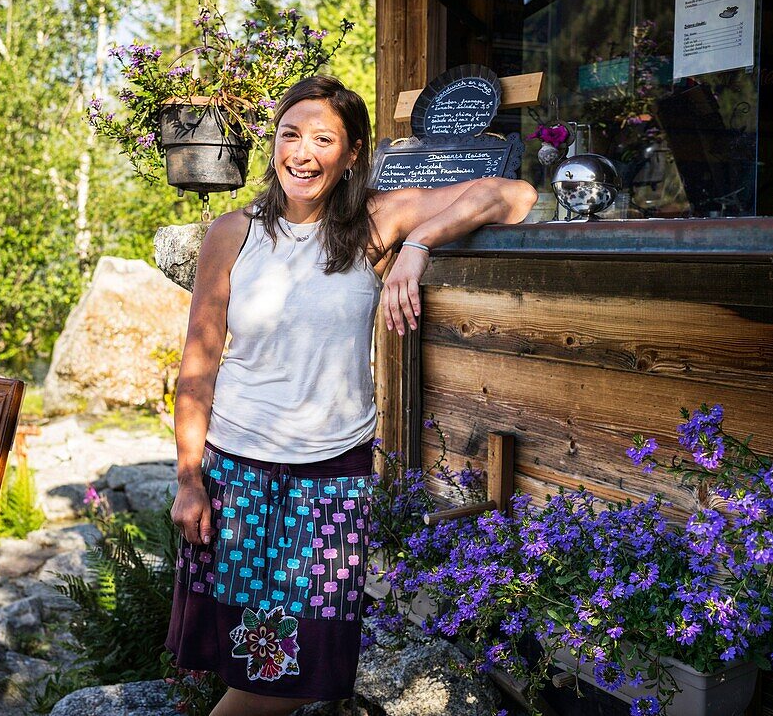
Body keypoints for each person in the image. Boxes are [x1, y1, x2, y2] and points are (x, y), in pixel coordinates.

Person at [165, 76, 536, 716]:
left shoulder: (375, 222)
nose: (302, 153)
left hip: (333, 476)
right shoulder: (234, 233)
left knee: (306, 658)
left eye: (323, 139)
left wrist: (418, 245)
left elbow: (514, 194)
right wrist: (189, 479)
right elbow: (198, 364)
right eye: (290, 135)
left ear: (352, 153)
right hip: (237, 471)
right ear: (273, 141)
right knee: (255, 658)